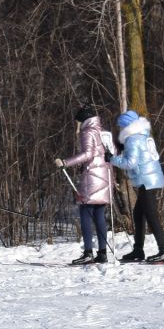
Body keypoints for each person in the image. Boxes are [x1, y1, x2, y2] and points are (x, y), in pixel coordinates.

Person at [109, 110, 164, 263]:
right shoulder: (143, 136)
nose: (120, 130)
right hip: (151, 179)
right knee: (138, 214)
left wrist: (111, 159)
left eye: (121, 127)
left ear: (127, 126)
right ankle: (138, 250)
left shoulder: (133, 139)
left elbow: (130, 163)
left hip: (147, 181)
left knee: (151, 216)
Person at [59, 107, 114, 265]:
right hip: (105, 175)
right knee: (99, 214)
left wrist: (65, 162)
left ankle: (88, 252)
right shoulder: (103, 132)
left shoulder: (87, 132)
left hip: (92, 177)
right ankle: (102, 253)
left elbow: (87, 154)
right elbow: (113, 152)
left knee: (85, 212)